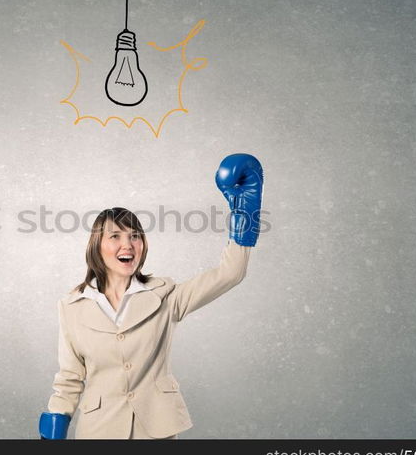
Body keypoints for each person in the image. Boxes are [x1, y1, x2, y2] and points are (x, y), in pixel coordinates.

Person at [38, 153, 264, 439]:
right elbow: (70, 378)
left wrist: (245, 212)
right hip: (99, 431)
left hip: (157, 430)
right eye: (116, 236)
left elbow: (231, 273)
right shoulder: (72, 307)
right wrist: (55, 425)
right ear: (97, 246)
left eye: (135, 236)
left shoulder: (165, 296)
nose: (128, 244)